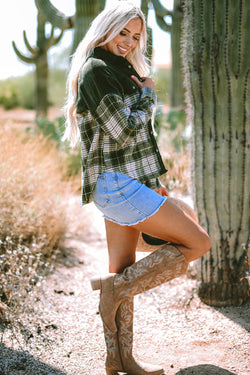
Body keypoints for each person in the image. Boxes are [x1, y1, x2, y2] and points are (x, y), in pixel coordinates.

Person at [64, 2, 211, 374]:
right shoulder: (97, 70)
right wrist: (148, 95)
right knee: (198, 243)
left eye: (135, 36)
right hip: (117, 186)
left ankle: (120, 360)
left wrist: (153, 185)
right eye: (122, 33)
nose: (128, 42)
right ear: (105, 29)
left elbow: (135, 144)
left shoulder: (119, 69)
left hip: (123, 184)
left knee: (122, 268)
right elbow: (125, 131)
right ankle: (116, 290)